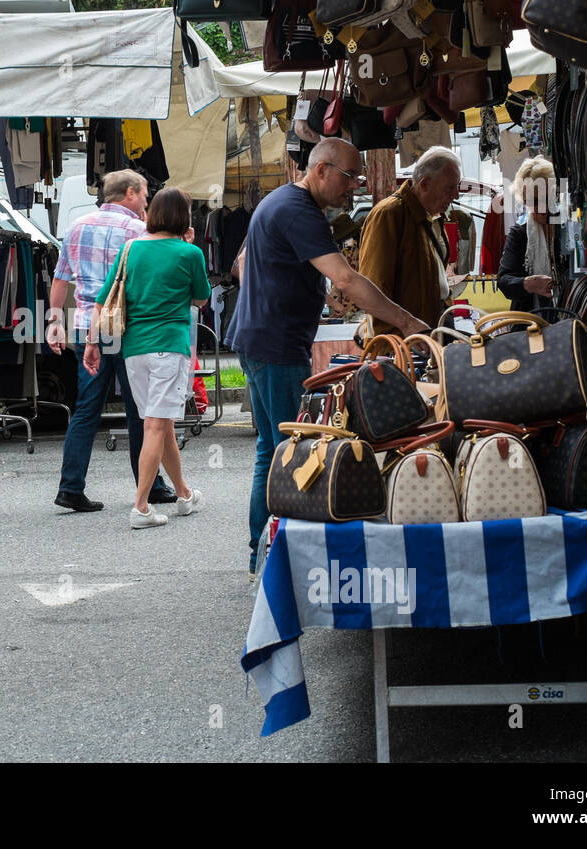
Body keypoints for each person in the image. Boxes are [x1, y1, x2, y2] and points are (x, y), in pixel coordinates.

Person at [228, 137, 430, 579]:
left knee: (272, 448)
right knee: (290, 454)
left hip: (259, 340)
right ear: (320, 171)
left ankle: (261, 553)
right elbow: (347, 277)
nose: (355, 186)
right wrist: (407, 321)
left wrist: (312, 293)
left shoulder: (281, 201)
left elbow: (243, 264)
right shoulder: (299, 209)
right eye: (349, 176)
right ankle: (274, 560)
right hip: (276, 346)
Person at [46, 169, 178, 513]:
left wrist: (54, 321)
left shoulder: (76, 226)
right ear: (131, 193)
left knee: (87, 408)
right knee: (139, 410)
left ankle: (70, 486)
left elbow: (60, 281)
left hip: (88, 327)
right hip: (128, 326)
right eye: (145, 194)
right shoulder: (139, 232)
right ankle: (149, 486)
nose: (148, 201)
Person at [86, 187, 211, 529]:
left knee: (161, 422)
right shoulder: (189, 253)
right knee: (157, 424)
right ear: (183, 218)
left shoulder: (130, 249)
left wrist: (91, 342)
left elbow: (102, 299)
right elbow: (201, 299)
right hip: (168, 347)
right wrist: (189, 245)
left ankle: (183, 493)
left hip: (133, 350)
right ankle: (141, 506)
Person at [358, 146, 463, 337]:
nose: (456, 195)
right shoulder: (389, 214)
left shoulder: (436, 216)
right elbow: (373, 288)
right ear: (424, 184)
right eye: (450, 187)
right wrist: (391, 341)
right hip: (405, 338)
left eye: (457, 186)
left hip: (431, 328)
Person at [498, 155, 558, 313]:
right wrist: (528, 284)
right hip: (530, 322)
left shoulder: (568, 229)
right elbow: (504, 281)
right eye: (529, 202)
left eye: (541, 200)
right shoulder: (519, 233)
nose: (536, 208)